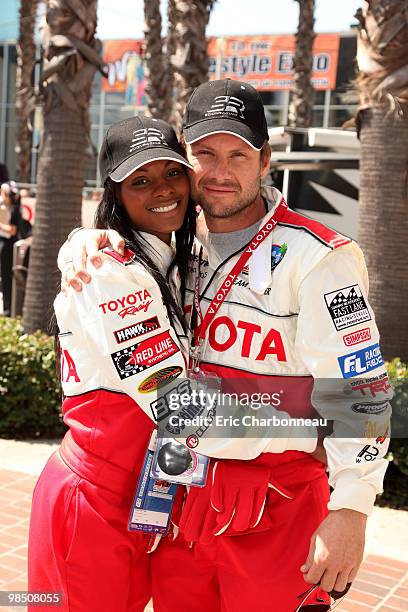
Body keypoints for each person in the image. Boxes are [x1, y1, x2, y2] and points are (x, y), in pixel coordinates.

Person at [59, 80, 392, 612]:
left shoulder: (319, 257)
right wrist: (81, 243)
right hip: (185, 503)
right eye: (203, 154)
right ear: (185, 158)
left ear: (264, 160)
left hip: (279, 505)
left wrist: (352, 507)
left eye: (237, 154)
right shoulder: (172, 240)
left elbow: (362, 387)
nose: (219, 171)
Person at [27, 115, 196, 612]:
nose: (162, 190)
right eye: (139, 181)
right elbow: (179, 406)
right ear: (115, 195)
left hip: (141, 502)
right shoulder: (105, 270)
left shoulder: (175, 260)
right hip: (91, 504)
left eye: (173, 172)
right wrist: (316, 423)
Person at [0, 181, 22, 316]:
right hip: (4, 243)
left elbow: (12, 231)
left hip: (8, 246)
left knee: (7, 276)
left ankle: (9, 309)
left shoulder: (14, 210)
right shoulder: (4, 207)